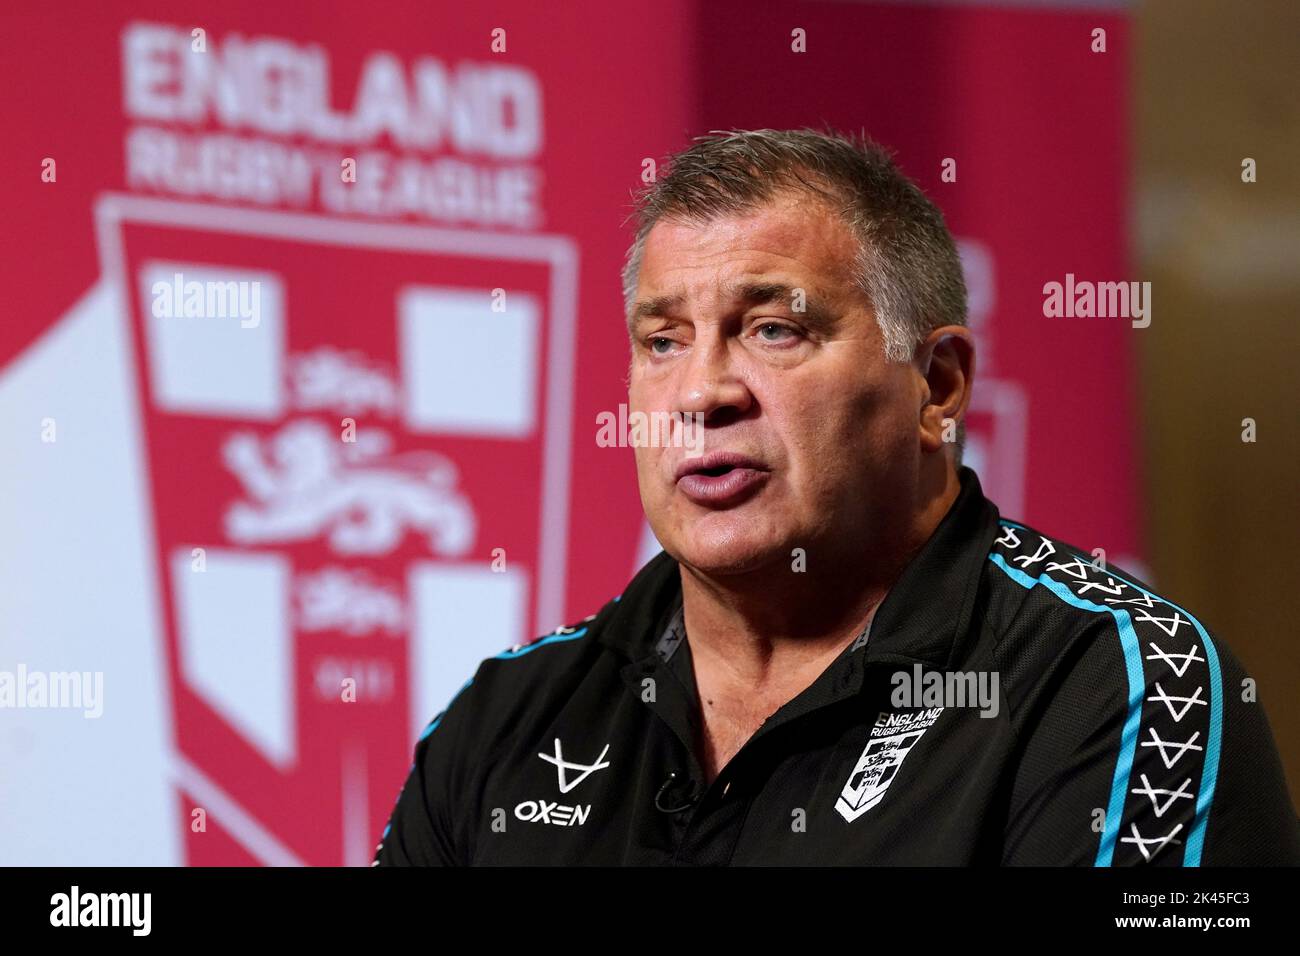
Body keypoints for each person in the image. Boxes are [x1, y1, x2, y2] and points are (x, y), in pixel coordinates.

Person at [373, 128, 1299, 865]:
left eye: (774, 330)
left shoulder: (1121, 683)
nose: (701, 393)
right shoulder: (502, 720)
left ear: (935, 386)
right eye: (663, 341)